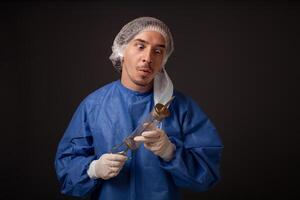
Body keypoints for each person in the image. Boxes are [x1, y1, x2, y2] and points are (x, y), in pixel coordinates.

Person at [54, 16, 223, 200]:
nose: (148, 58)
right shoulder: (93, 106)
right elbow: (67, 168)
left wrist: (170, 153)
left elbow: (207, 174)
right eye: (140, 46)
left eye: (158, 51)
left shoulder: (181, 108)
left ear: (163, 61)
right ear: (122, 51)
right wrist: (93, 169)